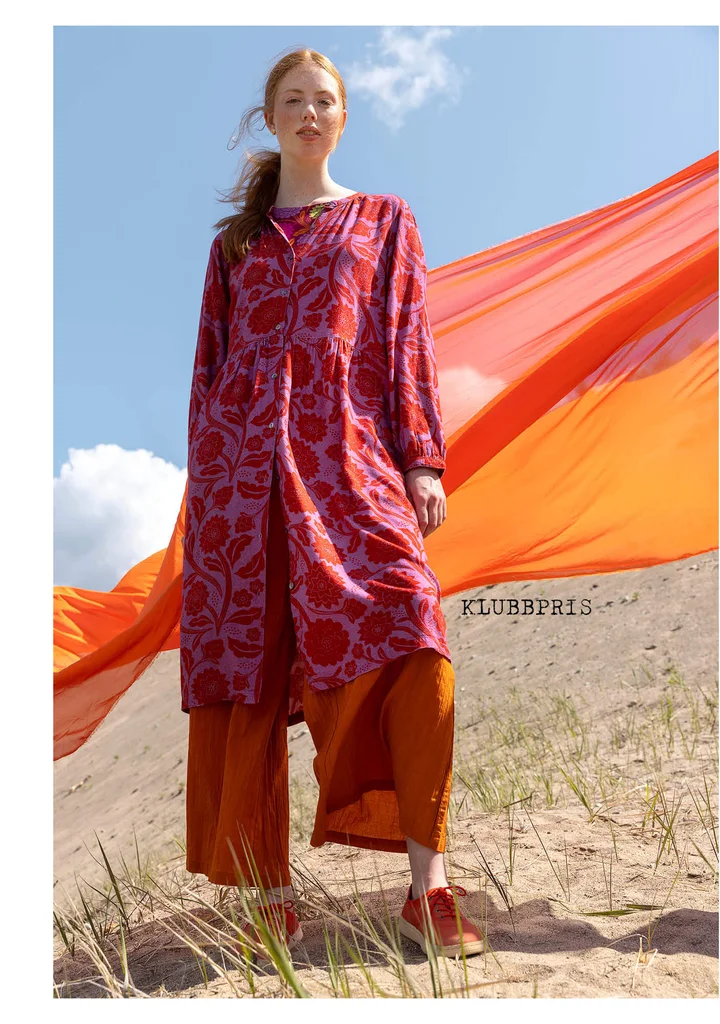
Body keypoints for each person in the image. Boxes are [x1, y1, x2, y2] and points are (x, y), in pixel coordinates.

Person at [181, 47, 486, 960]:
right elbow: (209, 376)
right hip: (240, 488)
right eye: (293, 101)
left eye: (325, 101)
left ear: (344, 118)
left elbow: (405, 344)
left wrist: (422, 461)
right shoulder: (232, 247)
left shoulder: (383, 221)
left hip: (349, 466)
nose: (310, 114)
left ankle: (426, 889)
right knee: (254, 679)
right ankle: (269, 898)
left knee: (411, 620)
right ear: (269, 119)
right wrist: (205, 497)